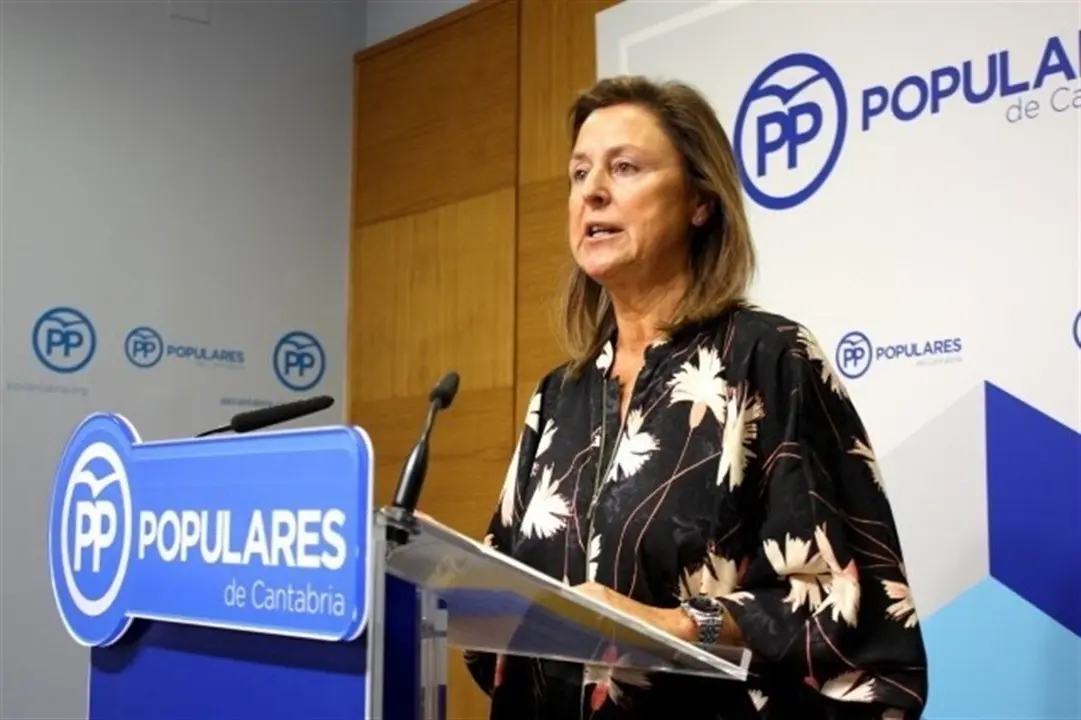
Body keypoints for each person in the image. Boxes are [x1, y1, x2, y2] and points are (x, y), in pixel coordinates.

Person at [464, 75, 928, 720]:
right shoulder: (558, 396)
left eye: (624, 167)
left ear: (700, 201)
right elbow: (498, 626)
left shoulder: (770, 359)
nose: (591, 191)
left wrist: (679, 624)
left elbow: (848, 605)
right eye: (579, 173)